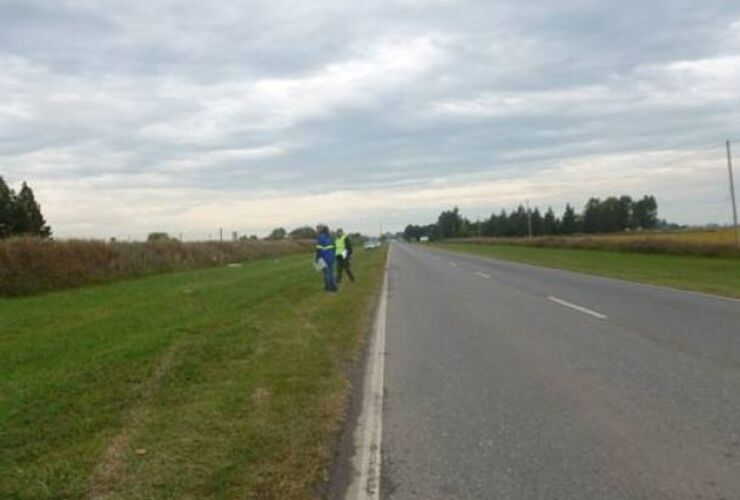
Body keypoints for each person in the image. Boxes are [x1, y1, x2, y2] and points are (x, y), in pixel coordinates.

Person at [315, 224, 337, 292]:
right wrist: (333, 256)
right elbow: (334, 247)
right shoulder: (330, 237)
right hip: (331, 258)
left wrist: (317, 258)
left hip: (323, 258)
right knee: (331, 273)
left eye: (318, 229)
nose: (317, 230)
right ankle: (334, 287)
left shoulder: (320, 237)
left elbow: (319, 249)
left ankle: (328, 288)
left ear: (321, 230)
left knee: (325, 273)